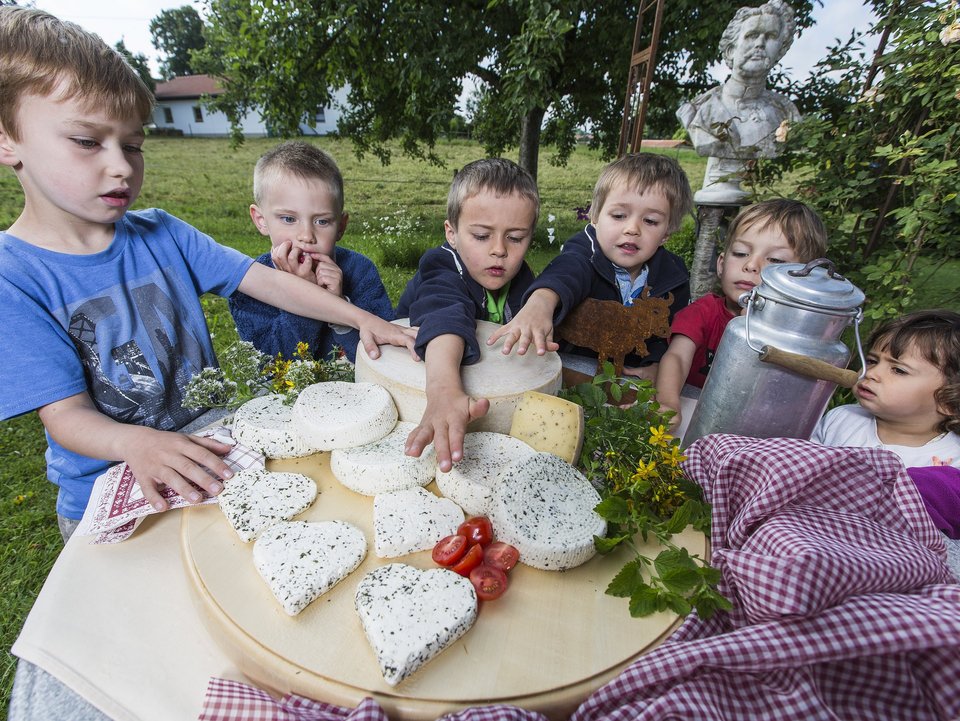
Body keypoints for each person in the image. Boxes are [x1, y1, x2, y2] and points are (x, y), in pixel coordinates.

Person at [0, 7, 415, 541]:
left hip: (213, 458)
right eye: (87, 141)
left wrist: (362, 319)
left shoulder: (164, 233)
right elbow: (66, 417)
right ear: (8, 138)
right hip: (114, 493)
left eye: (132, 144)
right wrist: (134, 444)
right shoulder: (14, 276)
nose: (122, 165)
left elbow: (265, 282)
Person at [489, 152, 692, 381]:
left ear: (667, 232)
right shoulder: (585, 253)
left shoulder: (673, 277)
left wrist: (657, 363)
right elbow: (566, 272)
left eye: (650, 221)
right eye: (619, 215)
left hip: (629, 383)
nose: (632, 228)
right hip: (570, 373)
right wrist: (540, 304)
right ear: (594, 217)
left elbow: (667, 334)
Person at [397, 158, 540, 472]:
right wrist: (444, 390)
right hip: (424, 388)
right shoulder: (442, 265)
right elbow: (445, 312)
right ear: (452, 233)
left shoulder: (522, 279)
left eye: (515, 238)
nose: (499, 250)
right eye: (481, 236)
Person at [656, 199, 827, 429]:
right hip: (692, 413)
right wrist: (667, 403)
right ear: (721, 264)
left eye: (775, 260)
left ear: (804, 280)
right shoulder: (704, 313)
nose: (751, 265)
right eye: (740, 253)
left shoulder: (798, 338)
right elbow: (677, 357)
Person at [229, 141, 394, 363]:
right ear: (261, 220)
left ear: (341, 226)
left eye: (322, 221)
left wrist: (340, 306)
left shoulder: (360, 271)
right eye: (289, 219)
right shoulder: (249, 285)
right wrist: (305, 293)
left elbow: (384, 356)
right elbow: (272, 368)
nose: (306, 235)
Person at [676, 0, 799, 203]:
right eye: (752, 36)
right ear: (731, 50)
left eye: (770, 37)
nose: (760, 44)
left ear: (781, 50)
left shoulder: (785, 113)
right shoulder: (697, 109)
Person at [811, 309, 960, 469]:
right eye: (872, 361)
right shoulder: (841, 419)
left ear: (948, 401)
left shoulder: (950, 463)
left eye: (899, 370)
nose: (872, 373)